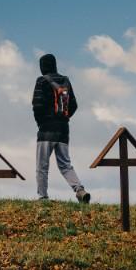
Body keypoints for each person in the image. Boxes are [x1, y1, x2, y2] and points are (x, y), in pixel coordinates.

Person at [32, 53, 90, 203]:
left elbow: (37, 105)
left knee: (42, 166)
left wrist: (41, 123)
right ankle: (80, 190)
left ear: (42, 66)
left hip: (46, 131)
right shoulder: (66, 81)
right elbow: (73, 105)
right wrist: (64, 118)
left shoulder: (41, 81)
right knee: (65, 165)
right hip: (63, 130)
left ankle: (43, 197)